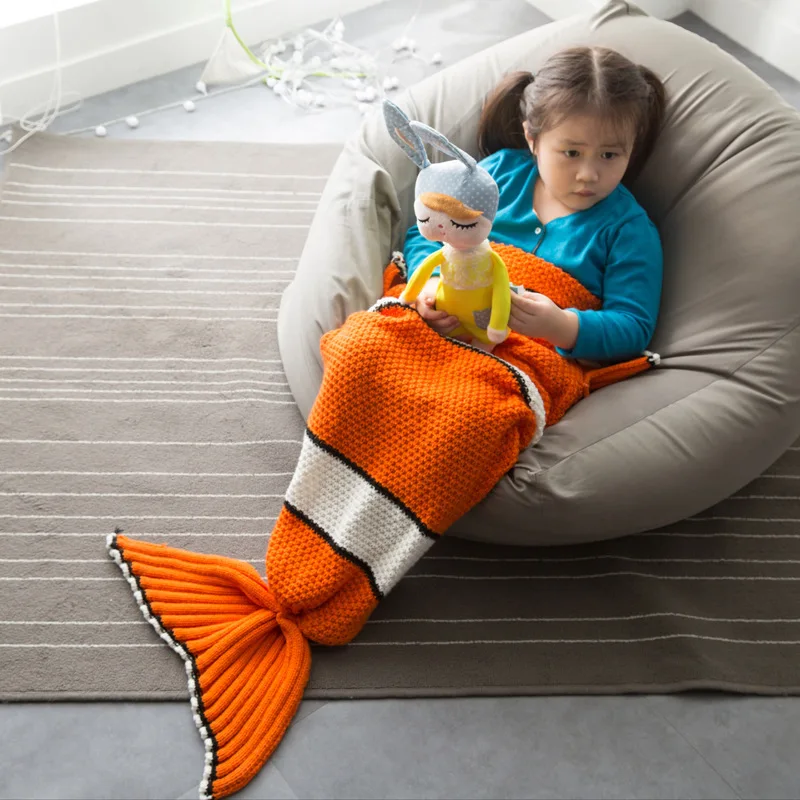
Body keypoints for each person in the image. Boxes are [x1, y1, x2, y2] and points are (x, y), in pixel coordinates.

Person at [403, 46, 667, 364]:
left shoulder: (629, 230)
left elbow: (633, 326)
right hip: (446, 328)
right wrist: (429, 285)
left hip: (529, 359)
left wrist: (562, 326)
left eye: (609, 155)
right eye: (572, 153)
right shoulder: (497, 175)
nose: (588, 174)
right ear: (532, 138)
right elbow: (428, 230)